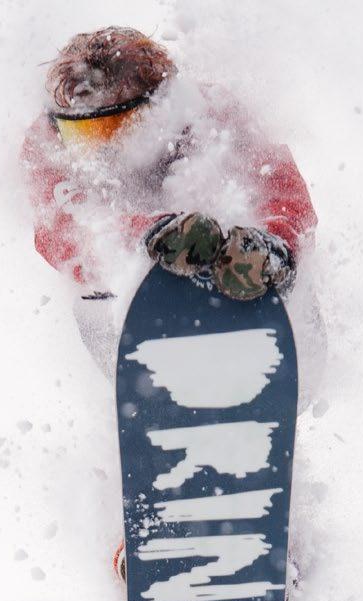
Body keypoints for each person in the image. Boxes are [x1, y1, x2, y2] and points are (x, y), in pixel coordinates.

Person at [21, 26, 323, 400]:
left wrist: (277, 245)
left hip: (245, 286)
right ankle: (153, 393)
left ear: (159, 108)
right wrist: (148, 236)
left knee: (276, 263)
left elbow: (278, 186)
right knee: (94, 288)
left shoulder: (212, 111)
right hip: (122, 312)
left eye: (117, 128)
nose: (103, 151)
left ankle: (281, 349)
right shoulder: (48, 146)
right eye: (86, 135)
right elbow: (63, 233)